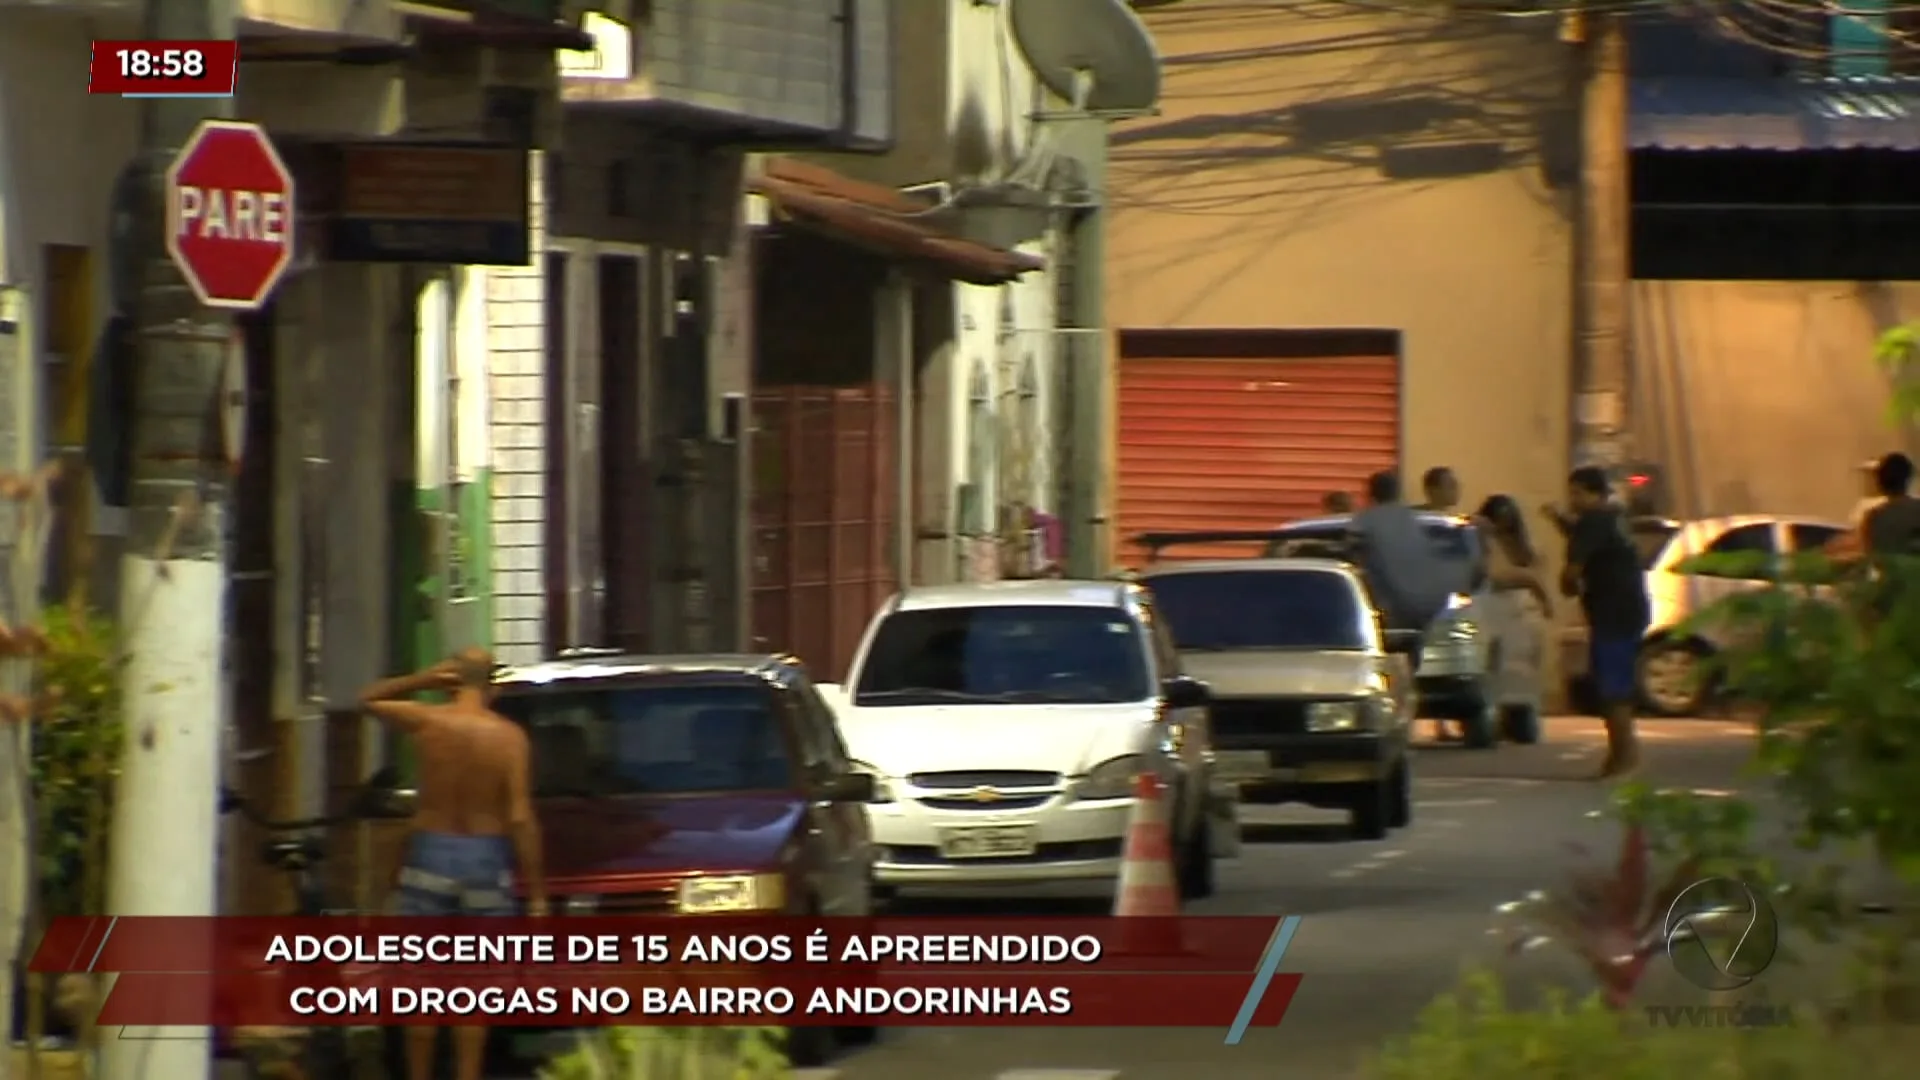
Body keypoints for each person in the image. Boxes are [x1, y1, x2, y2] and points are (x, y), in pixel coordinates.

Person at [358, 648, 546, 1080]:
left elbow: (368, 698)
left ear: (451, 679)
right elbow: (519, 816)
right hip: (485, 855)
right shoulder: (509, 737)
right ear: (493, 684)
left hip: (429, 851)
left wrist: (422, 677)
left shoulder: (428, 722)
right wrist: (535, 894)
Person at [1541, 468, 1651, 779]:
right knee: (1613, 684)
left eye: (1576, 493)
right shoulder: (1612, 516)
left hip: (1612, 613)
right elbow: (1585, 539)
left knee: (1613, 688)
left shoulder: (1593, 520)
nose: (1572, 499)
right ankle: (1620, 757)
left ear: (1592, 492)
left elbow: (1574, 568)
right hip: (1628, 609)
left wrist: (1566, 584)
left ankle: (1625, 757)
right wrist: (1559, 521)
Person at [1475, 495, 1553, 719]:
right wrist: (1530, 581)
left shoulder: (1528, 546)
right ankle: (1493, 713)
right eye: (1498, 519)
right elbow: (1495, 576)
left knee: (1525, 666)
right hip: (1493, 608)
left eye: (1507, 520)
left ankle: (1524, 713)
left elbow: (1535, 574)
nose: (1502, 526)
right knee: (1494, 665)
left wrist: (1532, 584)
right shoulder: (1482, 539)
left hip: (1523, 612)